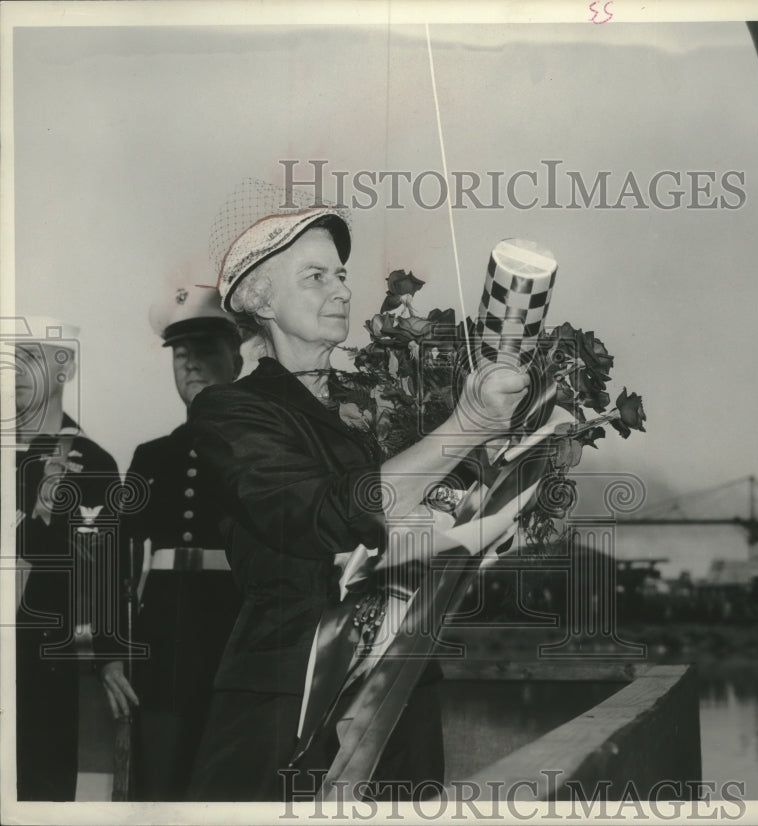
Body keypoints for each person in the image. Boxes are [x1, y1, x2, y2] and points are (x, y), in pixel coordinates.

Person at [185, 183, 528, 801]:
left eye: (341, 275)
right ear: (257, 297)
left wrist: (485, 513)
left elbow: (435, 524)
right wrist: (468, 426)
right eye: (315, 276)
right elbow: (324, 514)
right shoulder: (231, 411)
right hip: (291, 699)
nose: (342, 289)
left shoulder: (384, 401)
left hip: (401, 692)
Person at [99, 284, 244, 800]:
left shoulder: (263, 453)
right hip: (158, 647)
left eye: (205, 350)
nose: (190, 364)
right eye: (181, 355)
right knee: (157, 786)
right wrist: (112, 652)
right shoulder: (152, 456)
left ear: (238, 356)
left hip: (237, 643)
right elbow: (112, 555)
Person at [12, 318, 119, 800]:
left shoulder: (91, 463)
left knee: (38, 789)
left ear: (65, 367)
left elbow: (100, 576)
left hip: (36, 661)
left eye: (33, 356)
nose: (16, 369)